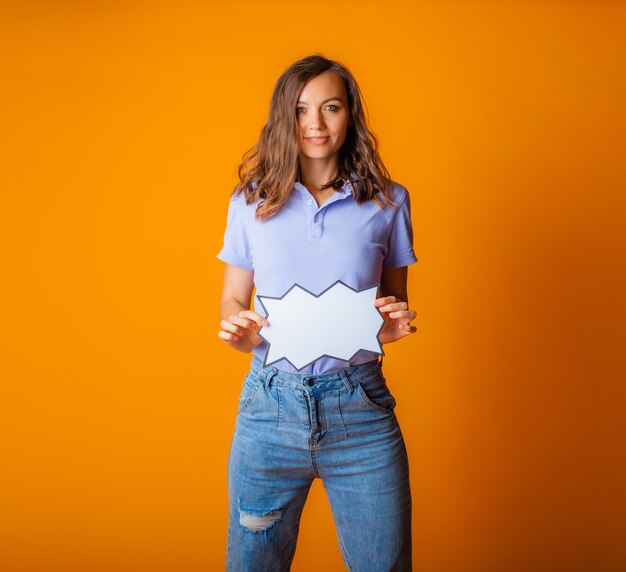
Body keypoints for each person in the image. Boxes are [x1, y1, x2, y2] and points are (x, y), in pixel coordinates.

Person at [217, 53, 418, 571]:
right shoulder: (249, 203)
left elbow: (392, 305)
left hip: (360, 410)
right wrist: (237, 329)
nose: (315, 123)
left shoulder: (389, 202)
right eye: (302, 109)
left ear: (349, 114)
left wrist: (392, 327)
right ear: (285, 117)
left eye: (330, 107)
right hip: (269, 412)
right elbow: (232, 299)